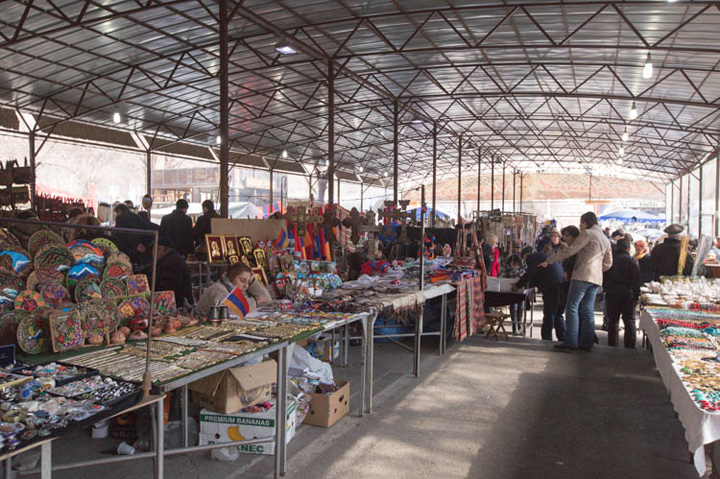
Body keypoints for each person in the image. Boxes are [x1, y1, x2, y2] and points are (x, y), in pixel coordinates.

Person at [541, 212, 612, 352]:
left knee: (571, 307)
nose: (580, 225)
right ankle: (586, 343)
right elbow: (609, 262)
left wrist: (549, 260)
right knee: (587, 310)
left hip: (582, 275)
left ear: (586, 222)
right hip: (596, 279)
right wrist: (597, 269)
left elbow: (571, 250)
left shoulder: (586, 234)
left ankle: (571, 341)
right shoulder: (604, 238)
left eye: (581, 223)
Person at [514, 246, 564, 341]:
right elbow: (536, 275)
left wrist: (518, 285)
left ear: (525, 256)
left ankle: (547, 337)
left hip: (551, 287)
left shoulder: (532, 259)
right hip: (560, 285)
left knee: (549, 313)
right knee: (558, 313)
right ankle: (562, 337)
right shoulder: (542, 256)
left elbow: (530, 274)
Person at [196, 262, 272, 317]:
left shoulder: (242, 290)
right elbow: (227, 310)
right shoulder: (218, 288)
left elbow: (267, 300)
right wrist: (254, 301)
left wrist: (252, 281)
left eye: (248, 282)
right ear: (232, 277)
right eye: (242, 280)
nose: (246, 286)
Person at [603, 239, 641, 348]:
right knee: (629, 320)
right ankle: (630, 346)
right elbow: (636, 280)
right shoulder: (632, 260)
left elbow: (605, 276)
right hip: (627, 294)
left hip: (612, 293)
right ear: (629, 249)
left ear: (616, 248)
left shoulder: (611, 260)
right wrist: (636, 295)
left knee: (613, 320)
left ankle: (612, 344)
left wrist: (606, 288)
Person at [154, 236, 194, 308]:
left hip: (175, 306)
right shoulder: (170, 260)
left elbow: (167, 289)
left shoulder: (171, 263)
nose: (153, 252)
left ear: (166, 250)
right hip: (178, 304)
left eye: (157, 249)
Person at [503, 254, 526, 334]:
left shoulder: (522, 267)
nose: (513, 266)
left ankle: (519, 324)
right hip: (510, 290)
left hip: (520, 290)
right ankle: (514, 325)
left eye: (515, 265)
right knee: (513, 306)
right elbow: (502, 276)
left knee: (521, 306)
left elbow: (525, 277)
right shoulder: (506, 268)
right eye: (512, 264)